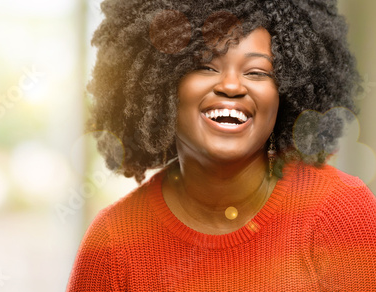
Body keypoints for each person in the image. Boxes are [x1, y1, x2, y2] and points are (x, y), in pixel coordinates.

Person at [67, 0, 376, 290]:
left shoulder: (341, 214)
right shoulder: (112, 245)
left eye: (257, 72)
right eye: (206, 66)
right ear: (159, 83)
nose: (230, 86)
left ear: (286, 92)